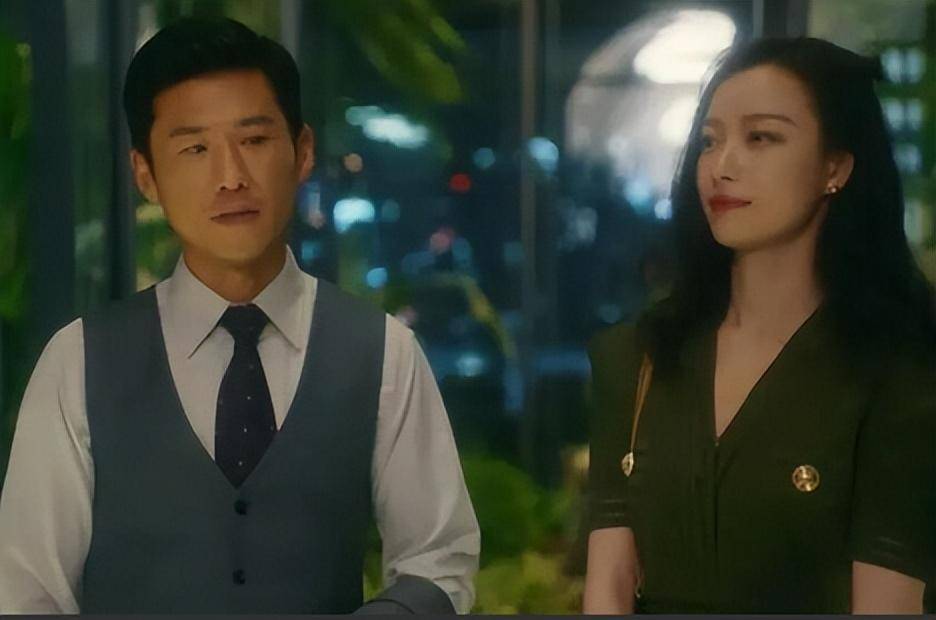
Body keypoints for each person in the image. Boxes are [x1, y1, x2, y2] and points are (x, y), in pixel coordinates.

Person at [0, 17, 479, 614]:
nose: (230, 177)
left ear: (302, 151)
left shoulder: (382, 351)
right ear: (146, 175)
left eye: (253, 141)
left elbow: (440, 561)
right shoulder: (77, 362)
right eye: (195, 148)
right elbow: (29, 594)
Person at [582, 37, 935, 614]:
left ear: (835, 166)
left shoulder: (895, 369)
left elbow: (886, 601)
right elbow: (608, 587)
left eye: (761, 138)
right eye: (710, 141)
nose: (722, 167)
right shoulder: (641, 355)